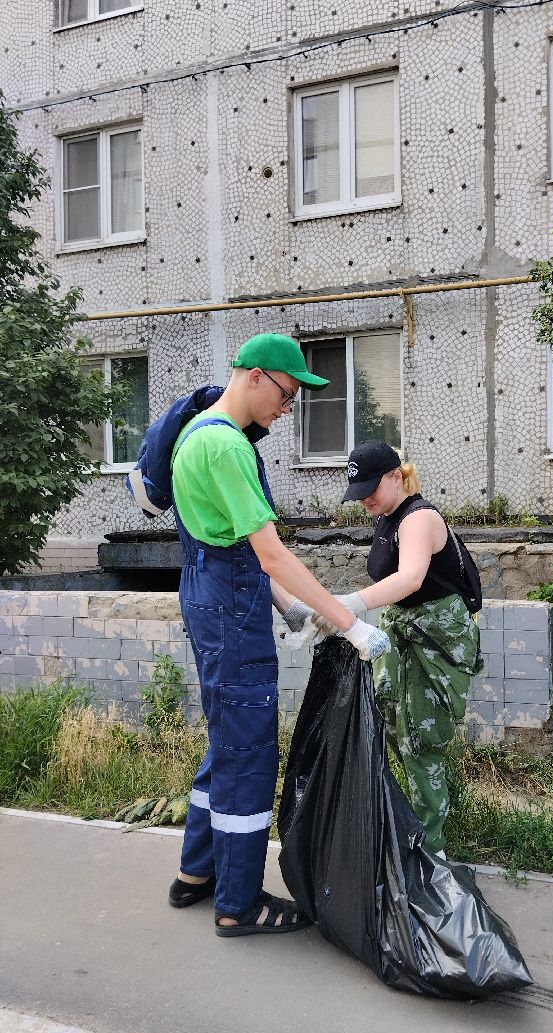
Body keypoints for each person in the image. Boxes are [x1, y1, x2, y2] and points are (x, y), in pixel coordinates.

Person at [158, 333, 389, 936]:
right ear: (255, 376)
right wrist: (350, 623)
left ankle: (196, 873)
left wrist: (288, 607)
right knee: (250, 754)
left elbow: (224, 545)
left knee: (225, 742)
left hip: (214, 599)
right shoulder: (227, 447)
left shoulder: (194, 435)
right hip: (230, 615)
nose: (287, 411)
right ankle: (238, 904)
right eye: (286, 396)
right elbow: (269, 554)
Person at [313, 441, 481, 858]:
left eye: (372, 487)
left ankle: (432, 854)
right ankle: (408, 828)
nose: (365, 500)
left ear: (396, 477)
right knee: (390, 725)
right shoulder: (387, 518)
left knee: (421, 740)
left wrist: (348, 605)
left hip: (437, 640)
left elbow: (409, 580)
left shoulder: (419, 518)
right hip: (403, 632)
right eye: (359, 493)